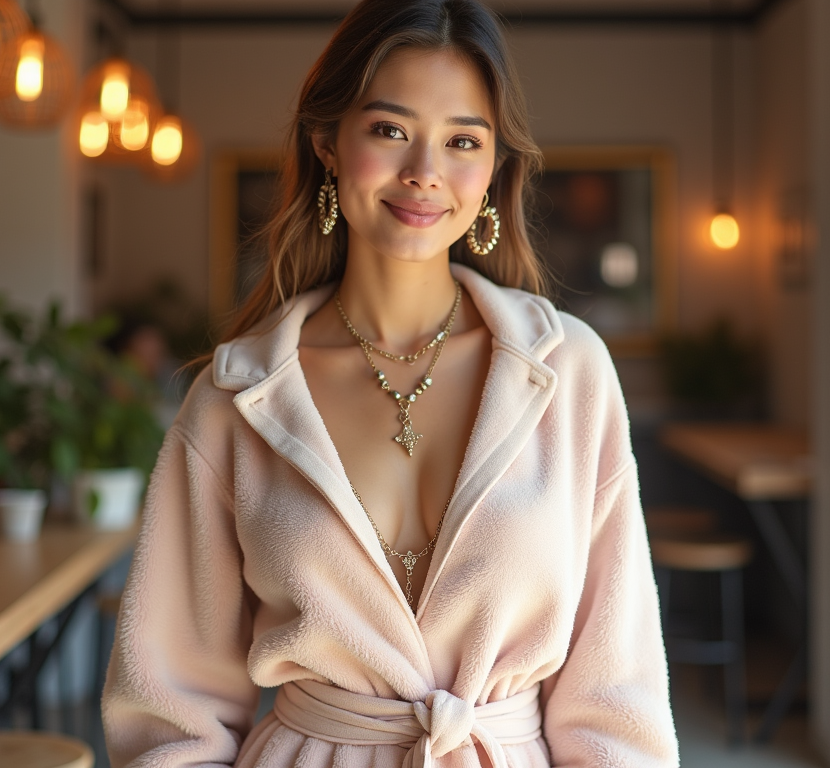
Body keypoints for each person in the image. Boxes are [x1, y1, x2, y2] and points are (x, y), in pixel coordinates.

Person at [102, 1, 679, 766]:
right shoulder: (234, 397)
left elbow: (616, 694)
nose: (424, 173)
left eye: (462, 140)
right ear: (328, 144)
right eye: (389, 130)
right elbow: (169, 705)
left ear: (493, 168)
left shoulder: (569, 373)